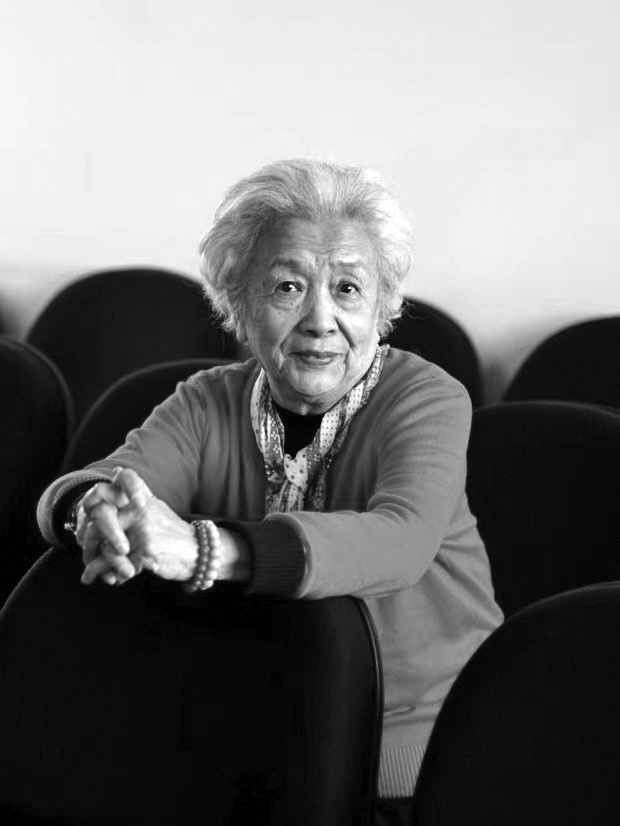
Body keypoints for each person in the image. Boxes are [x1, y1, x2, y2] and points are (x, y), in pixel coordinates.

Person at [37, 158, 503, 825]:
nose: (320, 319)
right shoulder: (206, 402)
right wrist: (97, 513)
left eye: (347, 289)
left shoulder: (427, 398)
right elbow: (106, 480)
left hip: (421, 765)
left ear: (382, 308)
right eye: (288, 287)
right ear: (238, 303)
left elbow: (401, 539)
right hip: (248, 737)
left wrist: (205, 550)